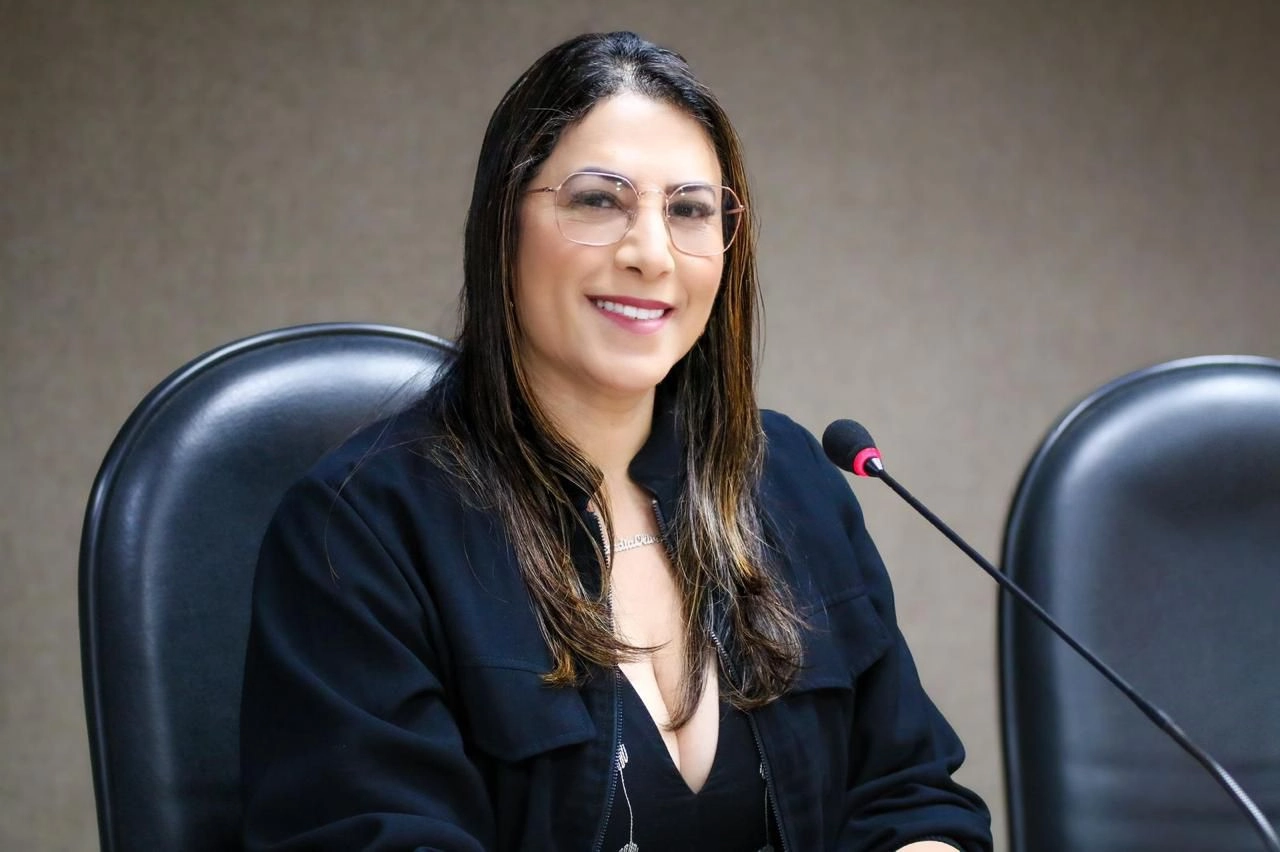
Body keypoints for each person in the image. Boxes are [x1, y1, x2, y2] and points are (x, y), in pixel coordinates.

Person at [239, 31, 993, 852]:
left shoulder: (791, 482)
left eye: (690, 210)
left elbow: (910, 797)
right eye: (598, 201)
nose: (651, 255)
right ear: (502, 223)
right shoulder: (359, 534)